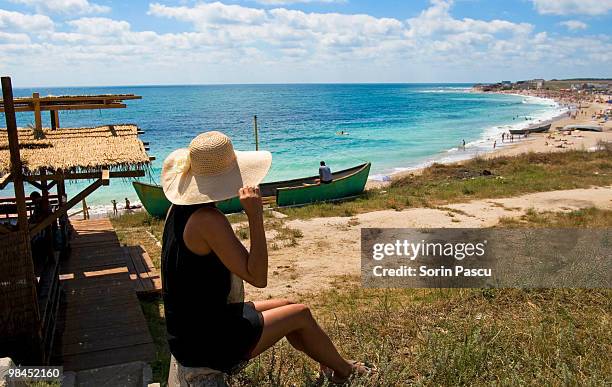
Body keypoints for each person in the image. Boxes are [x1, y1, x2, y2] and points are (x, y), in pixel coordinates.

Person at [160, 131, 372, 384]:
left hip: (193, 328)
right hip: (207, 343)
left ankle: (331, 365)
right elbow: (258, 277)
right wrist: (255, 216)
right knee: (300, 314)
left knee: (288, 304)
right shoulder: (208, 219)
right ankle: (346, 372)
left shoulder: (178, 210)